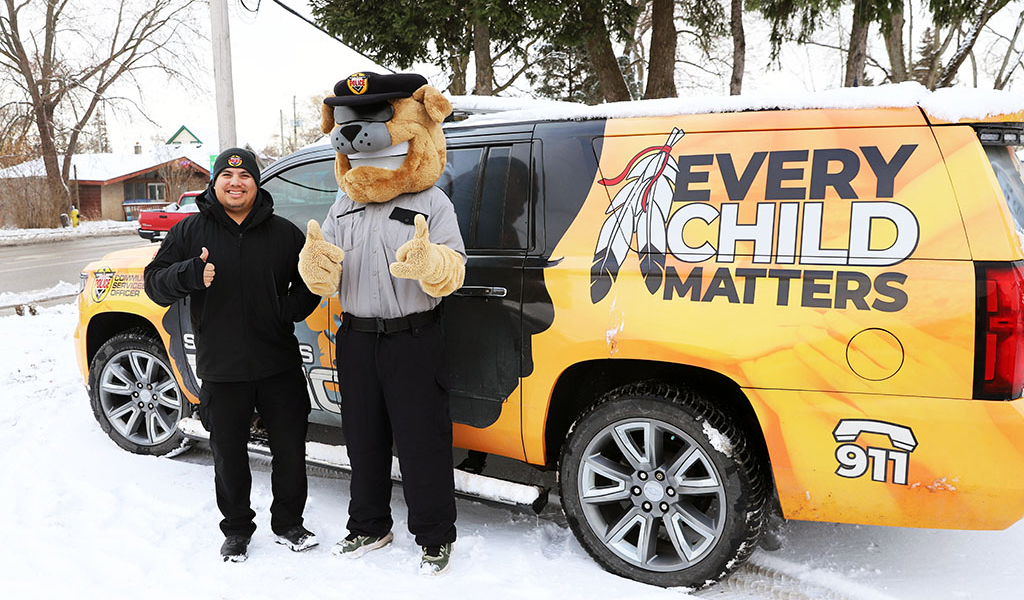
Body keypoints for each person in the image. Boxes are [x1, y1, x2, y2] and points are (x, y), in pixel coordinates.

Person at [298, 71, 465, 576]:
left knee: (422, 442)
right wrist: (315, 267)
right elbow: (323, 265)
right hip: (355, 338)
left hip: (412, 339)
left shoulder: (431, 202)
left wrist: (431, 263)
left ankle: (434, 536)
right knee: (362, 438)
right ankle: (369, 525)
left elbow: (455, 267)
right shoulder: (343, 203)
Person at [144, 148, 321, 562]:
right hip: (221, 367)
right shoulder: (189, 232)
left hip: (278, 363)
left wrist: (285, 312)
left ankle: (289, 523)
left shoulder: (283, 233)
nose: (235, 183)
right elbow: (154, 283)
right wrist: (189, 274)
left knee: (291, 448)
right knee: (228, 453)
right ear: (215, 182)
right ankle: (237, 528)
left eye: (244, 177)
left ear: (256, 183)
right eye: (227, 176)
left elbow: (311, 283)